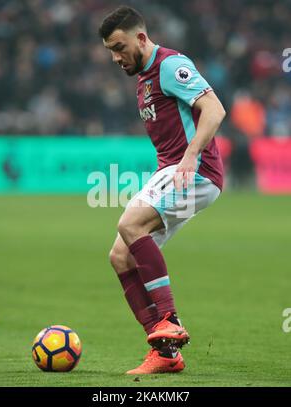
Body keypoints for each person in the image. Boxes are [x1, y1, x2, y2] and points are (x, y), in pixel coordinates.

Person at [99, 6, 226, 375]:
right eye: (110, 50)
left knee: (131, 223)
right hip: (173, 171)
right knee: (121, 256)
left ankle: (168, 318)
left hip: (195, 171)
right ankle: (166, 351)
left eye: (120, 47)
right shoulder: (143, 80)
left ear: (141, 37)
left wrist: (190, 157)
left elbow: (214, 110)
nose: (115, 57)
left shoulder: (170, 65)